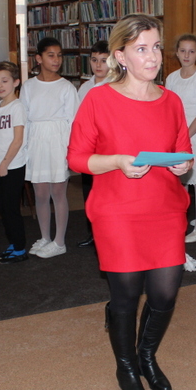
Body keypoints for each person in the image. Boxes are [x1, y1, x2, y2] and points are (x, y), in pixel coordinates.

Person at [67, 14, 193, 390]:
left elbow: (183, 149)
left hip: (165, 208)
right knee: (125, 297)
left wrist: (183, 164)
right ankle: (126, 367)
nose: (153, 57)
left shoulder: (171, 100)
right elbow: (77, 159)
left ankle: (146, 356)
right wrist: (117, 161)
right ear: (120, 56)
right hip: (117, 212)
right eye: (141, 49)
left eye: (156, 47)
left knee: (165, 293)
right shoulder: (98, 99)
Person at [22, 37, 79, 259]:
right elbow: (24, 118)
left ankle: (59, 241)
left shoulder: (66, 87)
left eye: (59, 55)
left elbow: (74, 122)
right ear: (39, 58)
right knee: (40, 193)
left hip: (58, 142)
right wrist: (24, 147)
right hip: (37, 141)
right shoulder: (29, 86)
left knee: (58, 192)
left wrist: (70, 150)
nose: (56, 60)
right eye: (50, 55)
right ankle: (45, 237)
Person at [165, 33, 196, 243]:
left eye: (191, 51)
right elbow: (167, 108)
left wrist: (183, 136)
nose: (186, 55)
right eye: (183, 51)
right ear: (177, 52)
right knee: (179, 181)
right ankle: (179, 223)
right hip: (175, 136)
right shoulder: (171, 78)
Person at [0, 61, 28, 264]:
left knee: (11, 208)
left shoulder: (17, 107)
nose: (0, 85)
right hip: (0, 165)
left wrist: (5, 163)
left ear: (16, 82)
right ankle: (13, 243)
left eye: (4, 81)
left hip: (13, 166)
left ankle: (20, 249)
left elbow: (17, 140)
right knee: (3, 208)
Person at [76, 40, 110, 248]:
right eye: (94, 60)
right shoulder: (84, 88)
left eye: (104, 61)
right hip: (89, 150)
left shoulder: (116, 85)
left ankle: (107, 233)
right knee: (89, 193)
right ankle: (93, 232)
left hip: (108, 150)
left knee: (107, 193)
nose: (98, 65)